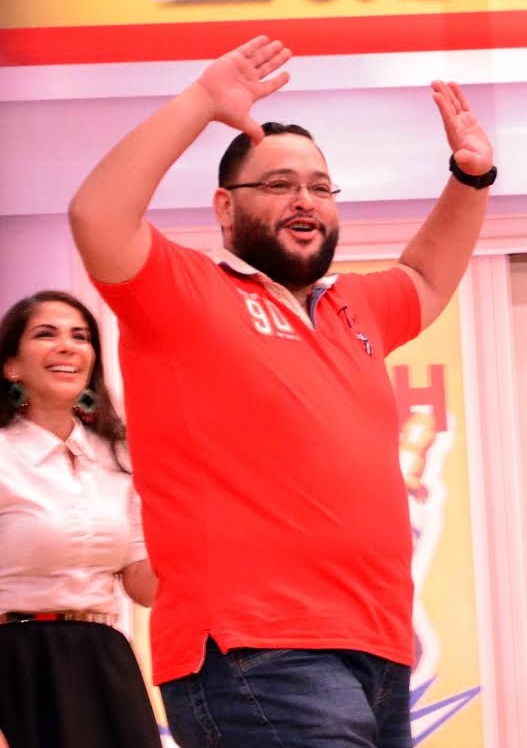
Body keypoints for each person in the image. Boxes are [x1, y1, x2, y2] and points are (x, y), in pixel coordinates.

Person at [68, 36, 495, 747]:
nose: (305, 200)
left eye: (320, 187)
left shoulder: (353, 306)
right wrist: (202, 101)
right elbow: (97, 215)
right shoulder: (184, 291)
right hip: (256, 650)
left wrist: (470, 177)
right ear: (224, 207)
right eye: (279, 184)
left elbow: (425, 276)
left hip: (378, 648)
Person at [0, 290, 162, 748]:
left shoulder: (118, 455)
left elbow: (143, 585)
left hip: (105, 661)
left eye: (81, 336)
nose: (67, 346)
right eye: (45, 334)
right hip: (17, 663)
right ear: (11, 366)